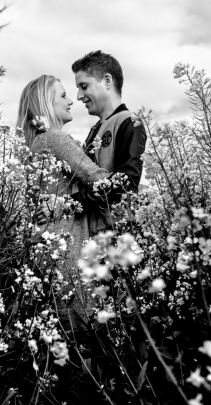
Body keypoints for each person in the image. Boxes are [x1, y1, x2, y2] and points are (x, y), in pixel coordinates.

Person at [17, 75, 109, 341]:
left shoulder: (35, 144)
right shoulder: (56, 139)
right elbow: (100, 179)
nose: (71, 101)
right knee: (83, 334)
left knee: (56, 335)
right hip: (69, 248)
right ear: (46, 103)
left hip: (46, 248)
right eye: (63, 96)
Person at [70, 50, 147, 236]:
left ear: (107, 81)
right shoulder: (95, 130)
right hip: (94, 235)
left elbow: (127, 181)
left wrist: (71, 203)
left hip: (119, 234)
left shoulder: (129, 121)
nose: (79, 96)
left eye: (84, 86)